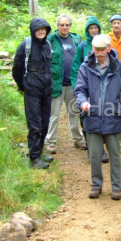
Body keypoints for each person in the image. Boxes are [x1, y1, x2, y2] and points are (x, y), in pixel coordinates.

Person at [74, 34, 121, 200]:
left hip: (113, 118)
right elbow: (79, 90)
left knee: (115, 156)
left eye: (101, 50)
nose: (98, 53)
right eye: (96, 50)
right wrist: (83, 102)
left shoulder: (119, 67)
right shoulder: (86, 67)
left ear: (108, 49)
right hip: (92, 117)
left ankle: (117, 187)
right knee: (95, 156)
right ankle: (96, 186)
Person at [12, 17, 54, 169]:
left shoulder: (48, 45)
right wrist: (23, 86)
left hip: (47, 89)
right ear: (33, 30)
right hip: (32, 90)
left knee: (44, 123)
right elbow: (16, 69)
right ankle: (34, 159)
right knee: (35, 125)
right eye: (38, 29)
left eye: (44, 29)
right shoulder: (25, 45)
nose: (41, 31)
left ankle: (39, 153)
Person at [45, 14, 86, 154]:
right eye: (62, 25)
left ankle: (78, 139)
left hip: (72, 83)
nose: (64, 27)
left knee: (74, 112)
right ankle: (50, 142)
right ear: (57, 26)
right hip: (56, 83)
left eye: (67, 24)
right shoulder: (50, 40)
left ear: (70, 26)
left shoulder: (76, 39)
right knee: (54, 114)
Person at [70, 16, 109, 163]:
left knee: (103, 117)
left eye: (95, 28)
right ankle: (92, 149)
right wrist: (77, 89)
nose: (93, 30)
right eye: (91, 28)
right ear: (87, 30)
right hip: (85, 89)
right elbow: (75, 69)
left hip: (102, 89)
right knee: (86, 118)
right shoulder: (82, 46)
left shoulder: (106, 45)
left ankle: (102, 150)